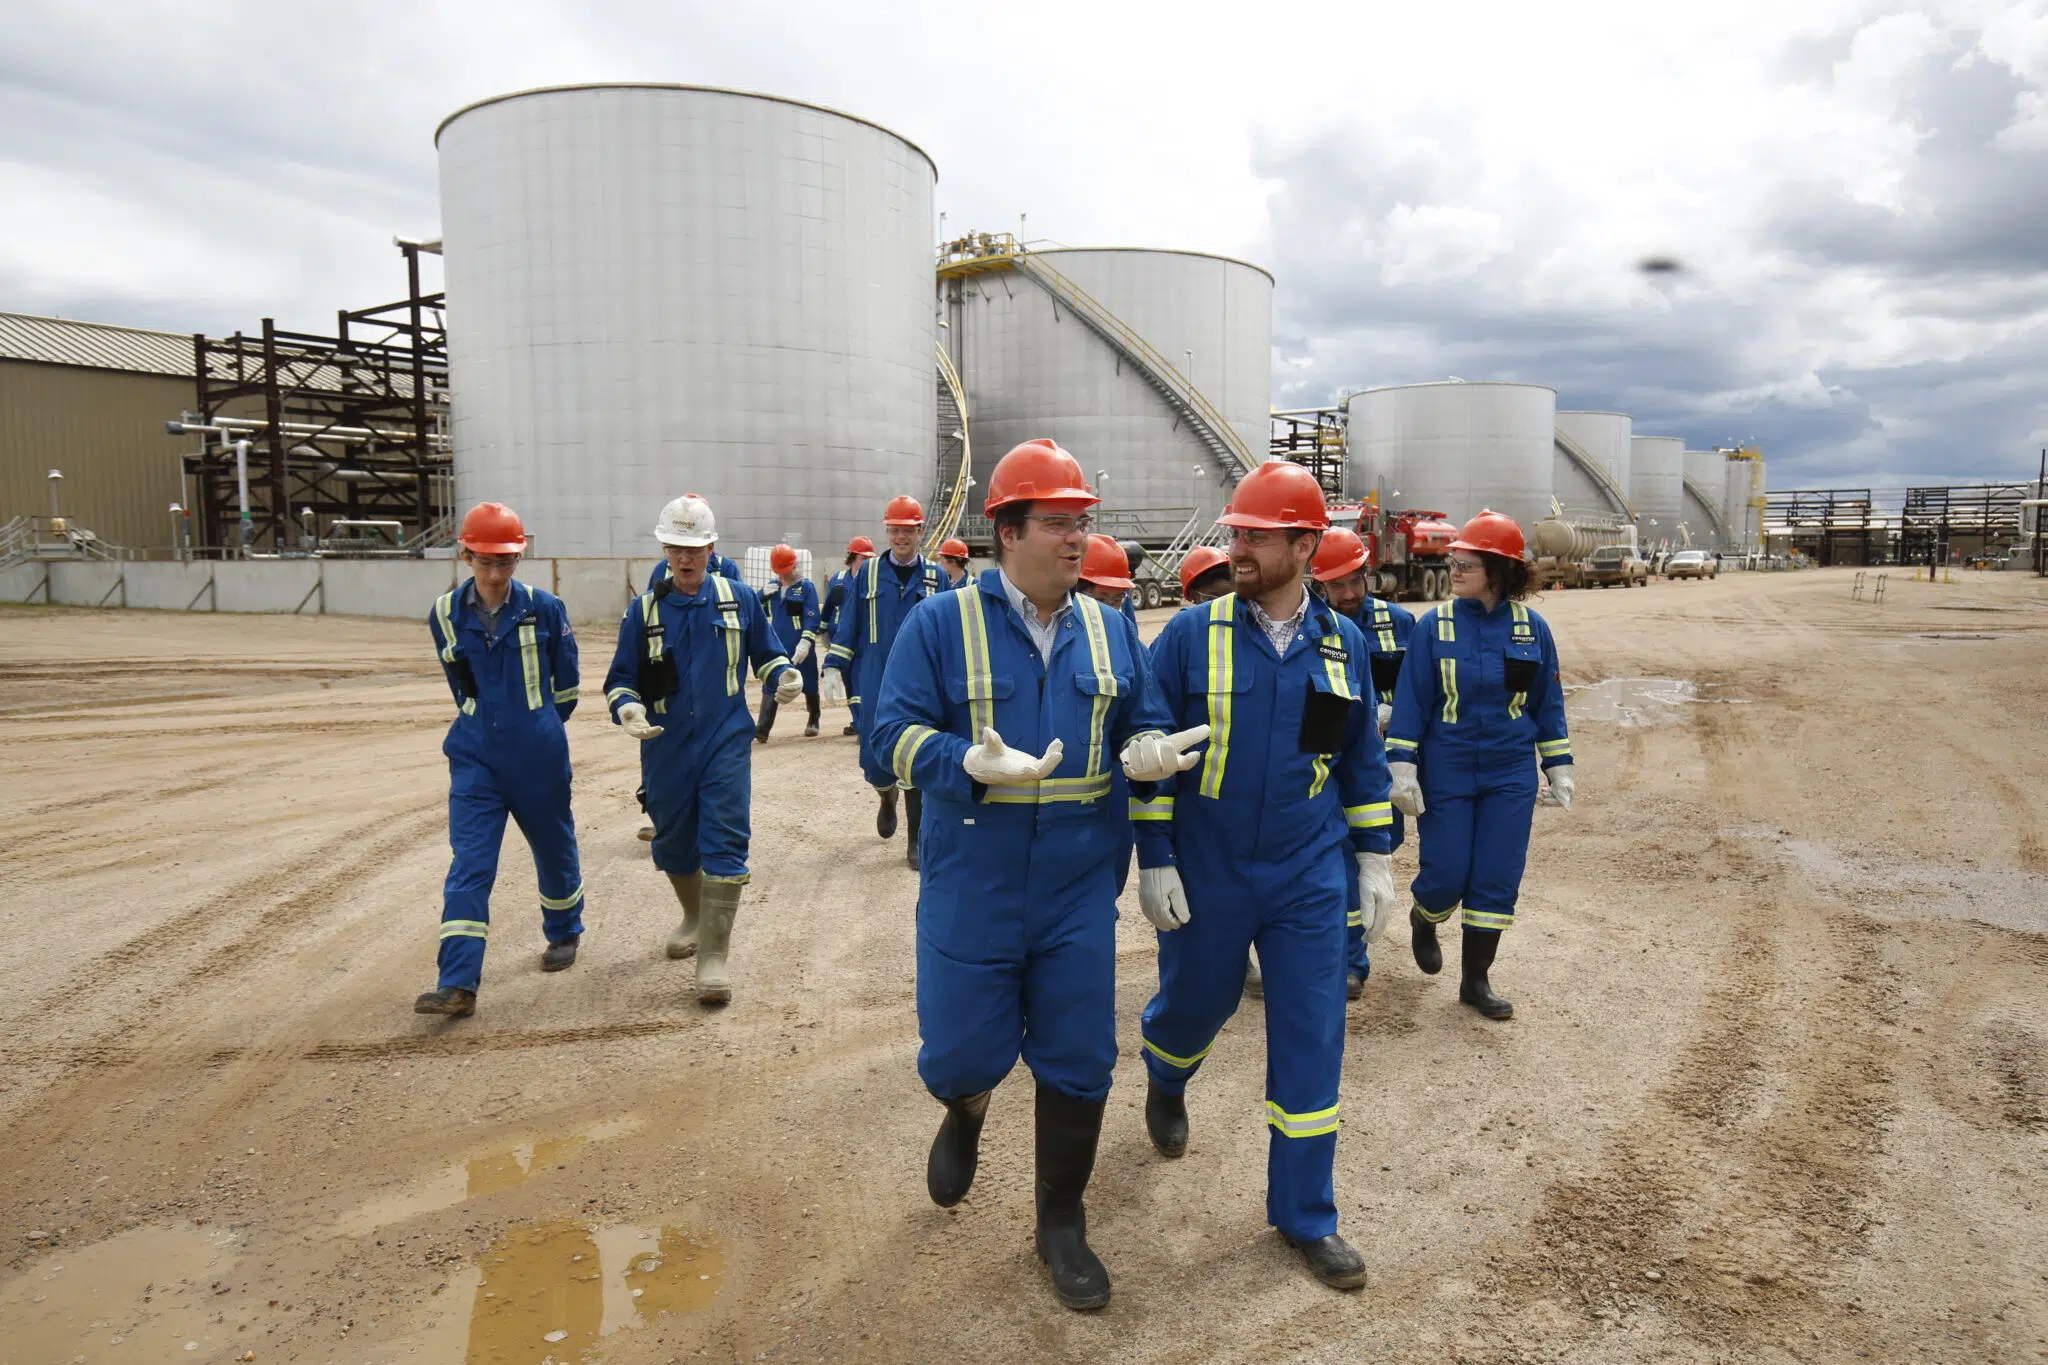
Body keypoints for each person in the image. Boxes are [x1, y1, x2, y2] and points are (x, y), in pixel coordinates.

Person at [870, 438, 1190, 1311]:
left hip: (1078, 891)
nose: (1075, 538)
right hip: (972, 887)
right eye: (1056, 522)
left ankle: (1061, 1222)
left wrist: (1147, 748)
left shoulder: (1110, 624)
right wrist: (960, 761)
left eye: (1082, 522)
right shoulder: (938, 625)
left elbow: (1142, 717)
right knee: (964, 1050)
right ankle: (967, 1106)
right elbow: (883, 736)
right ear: (1006, 532)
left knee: (1081, 1057)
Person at [1131, 461, 1397, 1291]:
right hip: (1211, 865)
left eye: (1255, 535)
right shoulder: (1187, 635)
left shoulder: (1342, 644)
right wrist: (1157, 859)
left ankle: (1305, 1214)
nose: (1236, 546)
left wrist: (1375, 860)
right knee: (1196, 1003)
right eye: (1235, 532)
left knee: (1315, 1033)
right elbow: (1150, 750)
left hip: (1307, 871)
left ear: (1305, 545)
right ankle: (1167, 1073)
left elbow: (1360, 762)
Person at [604, 494, 803, 1005]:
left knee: (726, 832)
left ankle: (714, 957)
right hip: (664, 743)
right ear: (664, 548)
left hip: (724, 737)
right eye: (675, 547)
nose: (685, 558)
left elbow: (767, 655)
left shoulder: (738, 599)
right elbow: (621, 680)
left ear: (712, 547)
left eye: (694, 548)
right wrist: (628, 710)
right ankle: (693, 915)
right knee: (671, 838)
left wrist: (784, 675)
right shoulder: (643, 610)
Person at [1385, 510, 1572, 1021]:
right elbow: (1412, 701)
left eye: (1467, 562)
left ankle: (1475, 981)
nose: (1455, 568)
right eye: (1454, 561)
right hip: (1447, 764)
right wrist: (1402, 766)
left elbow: (1545, 703)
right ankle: (1425, 917)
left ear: (1499, 569)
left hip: (1510, 770)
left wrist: (1558, 765)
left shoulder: (1532, 629)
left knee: (1496, 875)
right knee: (1446, 871)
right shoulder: (1433, 627)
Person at [415, 502, 585, 1018]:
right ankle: (458, 982)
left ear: (519, 557)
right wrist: (486, 724)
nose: (494, 574)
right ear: (466, 555)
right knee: (470, 864)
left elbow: (568, 687)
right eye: (485, 562)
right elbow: (459, 684)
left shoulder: (545, 608)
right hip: (475, 758)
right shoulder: (444, 614)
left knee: (553, 846)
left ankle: (563, 930)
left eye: (505, 563)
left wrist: (537, 726)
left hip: (538, 753)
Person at [1311, 526, 1416, 999]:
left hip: (1379, 769)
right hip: (1326, 767)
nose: (1350, 593)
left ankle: (1349, 954)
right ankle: (1349, 961)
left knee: (1371, 855)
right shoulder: (1310, 629)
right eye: (1338, 585)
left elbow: (1419, 694)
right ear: (1320, 585)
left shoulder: (1401, 624)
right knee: (1336, 863)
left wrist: (1399, 726)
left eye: (1356, 580)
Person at [821, 495, 945, 869]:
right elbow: (850, 624)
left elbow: (950, 632)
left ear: (920, 531)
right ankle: (885, 794)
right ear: (886, 531)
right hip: (874, 678)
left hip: (923, 678)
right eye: (894, 530)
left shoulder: (936, 577)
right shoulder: (869, 574)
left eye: (907, 530)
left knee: (918, 755)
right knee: (875, 761)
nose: (900, 537)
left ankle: (916, 840)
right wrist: (832, 664)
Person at [758, 543, 821, 741]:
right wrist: (760, 595)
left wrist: (806, 642)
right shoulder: (773, 587)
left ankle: (814, 718)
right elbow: (753, 610)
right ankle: (762, 729)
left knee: (809, 684)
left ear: (794, 566)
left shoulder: (806, 587)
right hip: (777, 645)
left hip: (800, 645)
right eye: (779, 572)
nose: (782, 576)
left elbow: (812, 617)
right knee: (772, 683)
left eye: (785, 571)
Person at [820, 537, 875, 736]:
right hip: (841, 642)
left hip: (864, 641)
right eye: (862, 558)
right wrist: (824, 633)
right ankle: (857, 720)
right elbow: (827, 608)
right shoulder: (838, 580)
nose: (866, 562)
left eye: (870, 558)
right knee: (850, 684)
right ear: (852, 558)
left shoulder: (872, 579)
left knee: (862, 682)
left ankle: (863, 725)